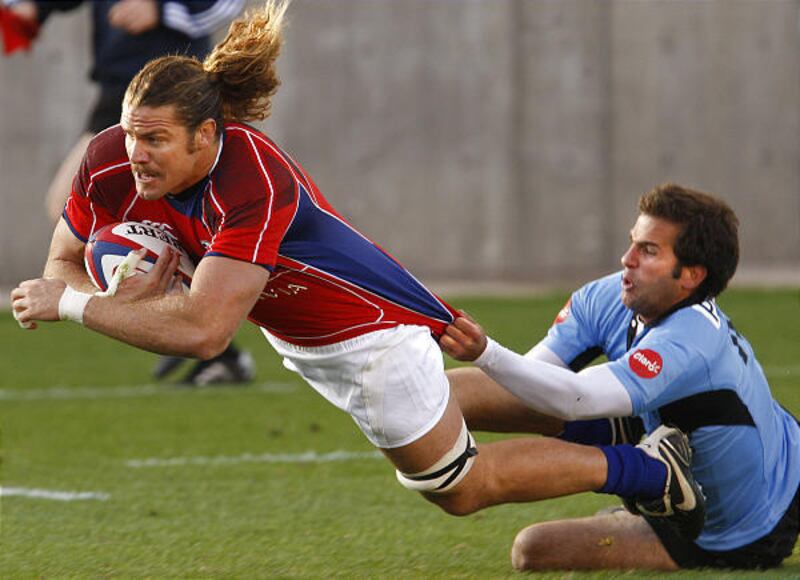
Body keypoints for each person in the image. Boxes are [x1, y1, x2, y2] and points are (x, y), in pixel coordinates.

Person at [10, 2, 704, 526]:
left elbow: (203, 332)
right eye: (132, 135)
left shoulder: (251, 178)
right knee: (447, 404)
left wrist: (77, 305)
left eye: (156, 140)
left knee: (454, 486)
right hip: (300, 334)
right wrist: (112, 293)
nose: (136, 155)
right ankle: (602, 426)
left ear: (206, 136)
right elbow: (63, 261)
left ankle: (646, 472)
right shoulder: (108, 158)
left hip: (364, 333)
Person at [441, 183, 800, 571]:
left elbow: (574, 399)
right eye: (633, 243)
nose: (626, 260)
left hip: (742, 525)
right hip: (729, 436)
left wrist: (486, 353)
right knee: (518, 392)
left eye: (648, 251)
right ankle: (654, 471)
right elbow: (529, 383)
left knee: (533, 549)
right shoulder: (608, 295)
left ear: (691, 275)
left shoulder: (690, 340)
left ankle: (656, 475)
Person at [7, 0, 253, 385]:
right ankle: (194, 330)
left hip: (172, 98)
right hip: (120, 92)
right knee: (70, 208)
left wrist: (163, 10)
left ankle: (202, 334)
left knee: (183, 223)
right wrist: (33, 10)